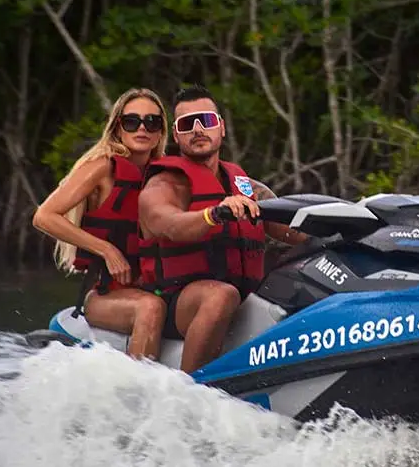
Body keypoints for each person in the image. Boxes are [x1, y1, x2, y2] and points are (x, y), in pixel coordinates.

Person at [138, 85, 308, 372]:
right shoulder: (164, 184)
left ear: (221, 127)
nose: (197, 130)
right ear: (176, 135)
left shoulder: (246, 186)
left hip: (242, 296)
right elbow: (169, 224)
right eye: (186, 125)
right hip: (176, 303)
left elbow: (292, 230)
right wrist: (213, 214)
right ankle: (192, 391)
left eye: (205, 121)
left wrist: (345, 227)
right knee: (221, 294)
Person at [32, 88, 170, 360]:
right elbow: (44, 216)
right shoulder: (102, 168)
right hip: (104, 295)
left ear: (160, 131)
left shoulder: (165, 176)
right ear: (118, 126)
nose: (142, 128)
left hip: (151, 285)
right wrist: (107, 250)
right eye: (132, 121)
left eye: (152, 122)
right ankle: (138, 392)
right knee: (150, 307)